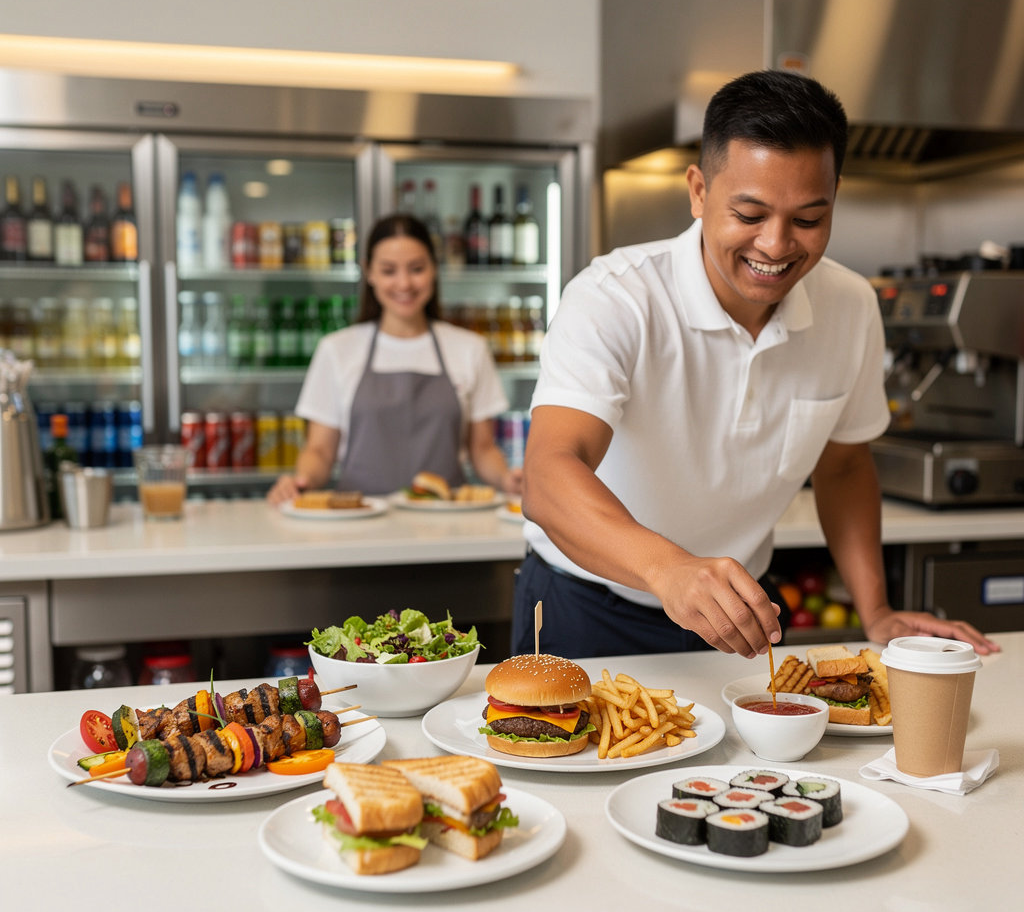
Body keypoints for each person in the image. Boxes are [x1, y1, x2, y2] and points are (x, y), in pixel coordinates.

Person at [514, 69, 1000, 660]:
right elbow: (548, 473)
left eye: (808, 219)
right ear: (698, 191)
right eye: (749, 215)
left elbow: (844, 466)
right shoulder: (615, 297)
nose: (775, 245)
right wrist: (671, 571)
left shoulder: (850, 305)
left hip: (739, 614)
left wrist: (876, 613)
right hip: (584, 605)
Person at [267, 213, 522, 503]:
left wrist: (506, 479)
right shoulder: (337, 349)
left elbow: (482, 448)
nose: (404, 283)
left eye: (416, 269)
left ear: (434, 269)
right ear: (369, 272)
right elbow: (320, 451)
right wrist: (301, 483)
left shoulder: (470, 348)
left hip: (447, 525)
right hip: (359, 520)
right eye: (389, 270)